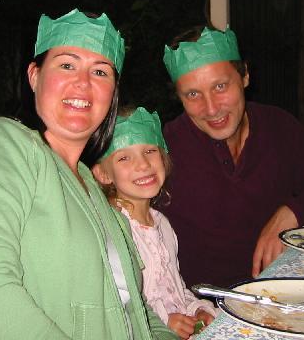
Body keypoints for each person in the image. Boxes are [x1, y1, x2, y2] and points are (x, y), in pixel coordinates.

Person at [0, 9, 178, 340]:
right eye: (67, 65)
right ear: (34, 76)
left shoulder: (94, 190)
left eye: (100, 71)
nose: (83, 82)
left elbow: (134, 308)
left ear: (112, 94)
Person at [159, 25, 304, 287]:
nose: (211, 108)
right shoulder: (163, 148)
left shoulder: (278, 126)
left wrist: (290, 213)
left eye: (220, 86)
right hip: (204, 303)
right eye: (193, 94)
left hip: (283, 290)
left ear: (245, 76)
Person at [92, 107, 216, 339]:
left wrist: (198, 310)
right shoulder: (112, 230)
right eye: (124, 157)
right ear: (103, 174)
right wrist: (163, 321)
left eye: (150, 151)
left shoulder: (163, 224)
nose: (143, 165)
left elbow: (175, 289)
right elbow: (118, 305)